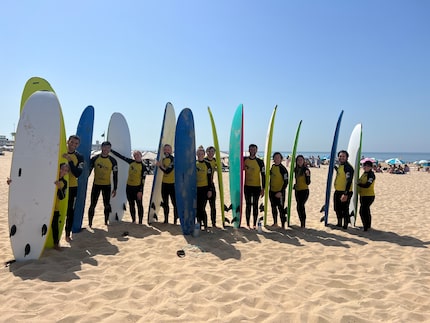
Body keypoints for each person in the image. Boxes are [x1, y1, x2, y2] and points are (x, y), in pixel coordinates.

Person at [111, 149, 150, 224]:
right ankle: (133, 220)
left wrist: (140, 191)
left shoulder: (143, 167)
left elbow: (143, 181)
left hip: (138, 188)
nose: (136, 156)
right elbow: (121, 157)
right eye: (135, 155)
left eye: (138, 155)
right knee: (131, 204)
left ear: (141, 156)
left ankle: (140, 222)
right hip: (129, 187)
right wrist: (111, 150)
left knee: (139, 205)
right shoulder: (131, 162)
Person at [88, 141, 118, 228]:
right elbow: (88, 172)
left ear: (110, 149)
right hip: (96, 185)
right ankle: (90, 223)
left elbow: (115, 175)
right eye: (105, 147)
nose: (106, 149)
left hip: (107, 186)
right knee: (93, 204)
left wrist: (115, 188)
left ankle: (106, 221)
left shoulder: (113, 160)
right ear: (101, 148)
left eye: (108, 148)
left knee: (107, 204)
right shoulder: (95, 158)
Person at [63, 135, 84, 242]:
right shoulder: (60, 152)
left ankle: (67, 234)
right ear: (68, 142)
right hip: (59, 186)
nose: (73, 145)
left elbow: (77, 174)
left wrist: (70, 161)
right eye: (72, 142)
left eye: (76, 144)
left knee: (70, 211)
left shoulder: (79, 157)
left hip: (72, 187)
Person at [243, 144, 265, 229]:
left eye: (254, 149)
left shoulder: (260, 161)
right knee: (248, 205)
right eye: (251, 149)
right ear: (249, 150)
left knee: (255, 205)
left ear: (256, 150)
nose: (252, 150)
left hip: (256, 187)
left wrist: (263, 188)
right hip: (247, 186)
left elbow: (263, 175)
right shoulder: (244, 160)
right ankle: (248, 223)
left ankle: (254, 224)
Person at [156, 144, 178, 224]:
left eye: (168, 149)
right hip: (164, 184)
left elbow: (167, 171)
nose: (166, 151)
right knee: (165, 203)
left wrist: (160, 166)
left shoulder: (173, 159)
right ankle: (166, 220)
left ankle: (175, 220)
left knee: (174, 203)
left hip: (172, 185)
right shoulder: (162, 159)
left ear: (171, 150)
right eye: (165, 149)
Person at [333, 150, 354, 229]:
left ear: (347, 157)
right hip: (338, 191)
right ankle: (339, 223)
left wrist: (345, 194)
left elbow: (349, 180)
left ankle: (345, 225)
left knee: (344, 209)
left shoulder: (348, 167)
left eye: (343, 156)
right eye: (340, 156)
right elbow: (340, 172)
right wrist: (334, 167)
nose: (341, 158)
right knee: (337, 208)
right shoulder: (341, 166)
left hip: (345, 191)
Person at [52, 163, 69, 250]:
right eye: (62, 169)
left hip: (55, 208)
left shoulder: (64, 183)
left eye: (66, 170)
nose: (63, 171)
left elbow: (62, 197)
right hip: (45, 207)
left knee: (55, 226)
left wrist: (59, 188)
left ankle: (56, 244)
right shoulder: (51, 177)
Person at [269, 152, 288, 228]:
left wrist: (281, 192)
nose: (276, 159)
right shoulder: (272, 167)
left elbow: (286, 182)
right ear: (273, 159)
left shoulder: (283, 169)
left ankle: (283, 224)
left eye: (278, 157)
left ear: (281, 159)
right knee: (273, 208)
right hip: (272, 191)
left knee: (281, 208)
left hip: (280, 192)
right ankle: (275, 223)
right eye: (275, 157)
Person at [196, 146, 213, 230]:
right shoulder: (194, 163)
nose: (200, 155)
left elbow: (210, 178)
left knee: (202, 207)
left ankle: (205, 224)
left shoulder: (207, 164)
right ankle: (198, 223)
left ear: (204, 154)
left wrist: (210, 190)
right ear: (196, 154)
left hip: (204, 188)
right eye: (198, 153)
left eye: (202, 153)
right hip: (196, 189)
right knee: (197, 207)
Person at [357, 160, 376, 231]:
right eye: (364, 165)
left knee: (362, 211)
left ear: (371, 167)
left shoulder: (371, 175)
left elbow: (367, 185)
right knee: (366, 211)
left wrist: (359, 184)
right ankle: (367, 226)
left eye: (368, 166)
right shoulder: (364, 173)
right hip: (363, 195)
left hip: (368, 196)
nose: (365, 167)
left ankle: (365, 227)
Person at [294, 155, 311, 228]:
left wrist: (307, 176)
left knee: (301, 205)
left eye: (301, 160)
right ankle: (301, 221)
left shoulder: (306, 170)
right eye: (298, 160)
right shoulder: (295, 169)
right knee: (298, 207)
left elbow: (308, 182)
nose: (299, 161)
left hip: (304, 191)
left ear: (304, 161)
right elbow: (296, 180)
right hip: (297, 190)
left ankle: (303, 223)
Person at [205, 146, 217, 227]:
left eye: (213, 152)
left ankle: (213, 223)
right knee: (203, 205)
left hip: (211, 184)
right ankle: (203, 222)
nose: (212, 153)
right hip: (203, 185)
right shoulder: (204, 160)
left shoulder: (215, 160)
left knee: (213, 205)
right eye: (210, 151)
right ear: (207, 152)